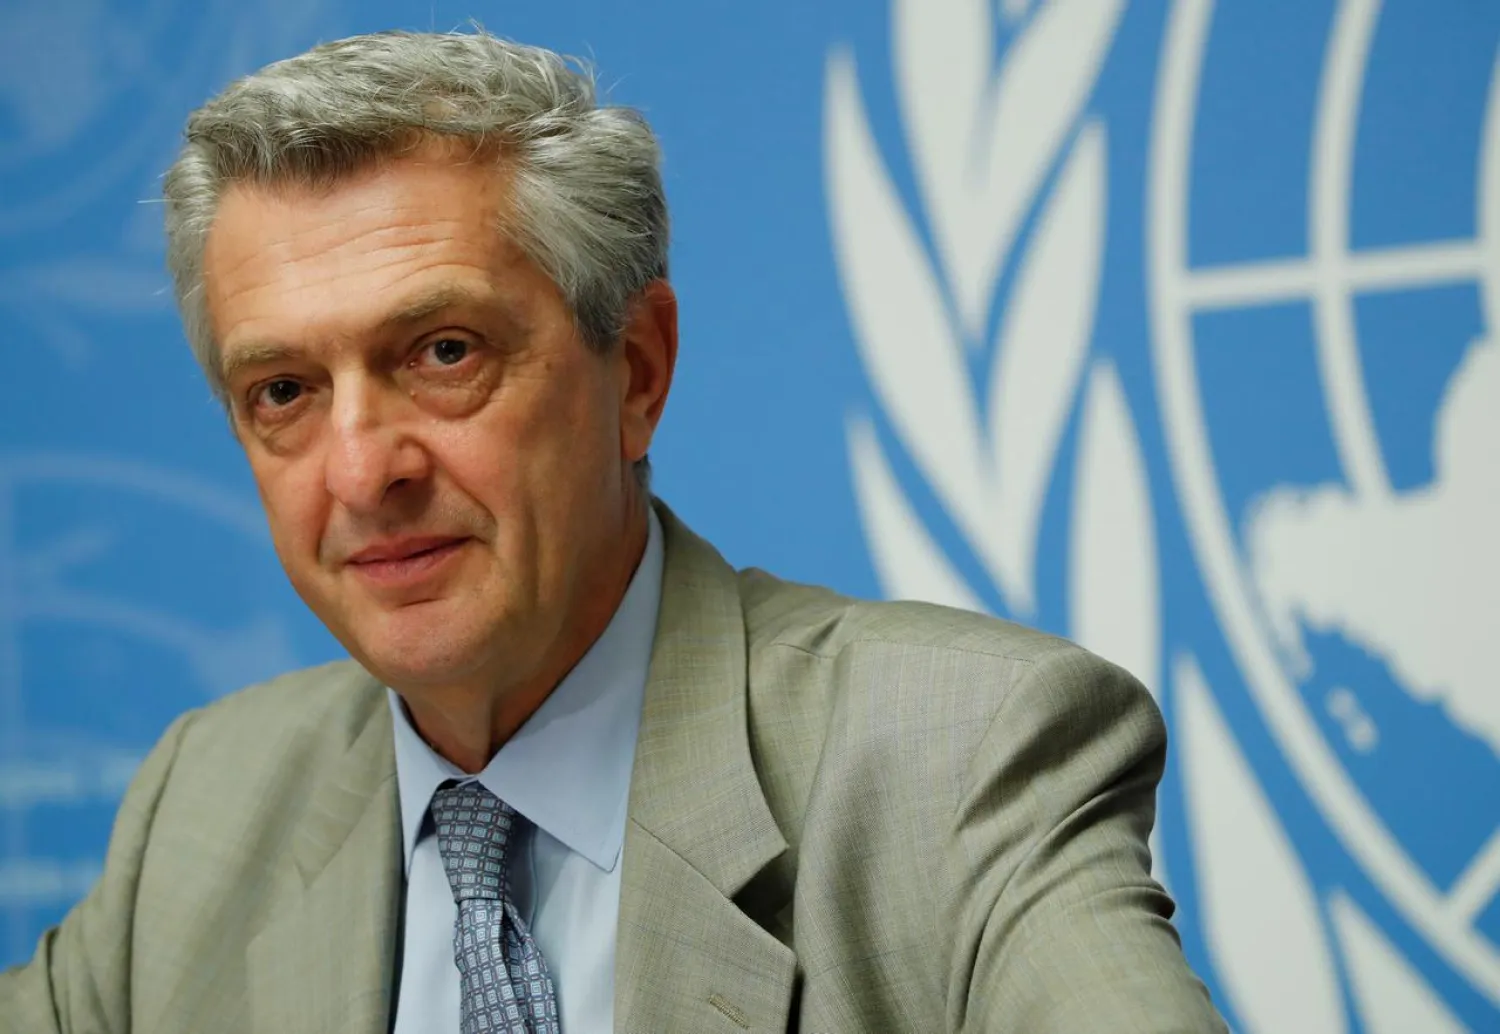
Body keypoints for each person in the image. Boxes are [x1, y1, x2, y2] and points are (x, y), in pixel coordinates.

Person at [0, 29, 1226, 1033]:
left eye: (443, 352)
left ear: (636, 369)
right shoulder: (206, 802)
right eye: (284, 391)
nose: (363, 472)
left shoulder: (952, 758)